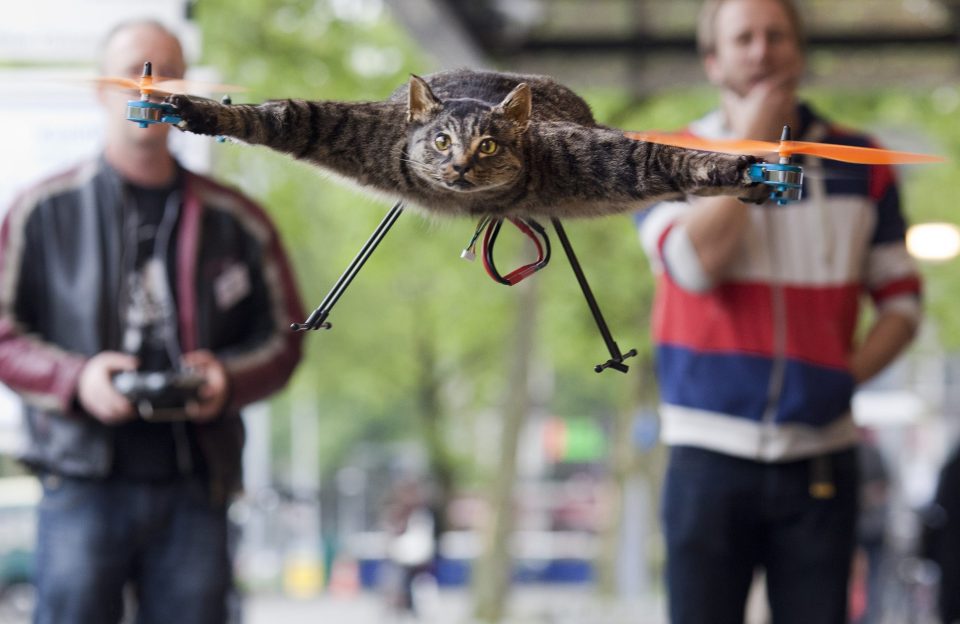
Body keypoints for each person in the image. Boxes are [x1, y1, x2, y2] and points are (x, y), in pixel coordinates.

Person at [0, 20, 305, 624]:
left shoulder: (239, 221)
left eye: (167, 72)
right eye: (136, 68)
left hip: (197, 482)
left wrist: (227, 380)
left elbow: (287, 338)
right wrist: (77, 380)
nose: (151, 86)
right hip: (79, 479)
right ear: (99, 88)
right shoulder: (41, 212)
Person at [636, 1, 923, 622]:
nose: (762, 51)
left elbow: (901, 303)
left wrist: (841, 377)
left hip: (821, 458)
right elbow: (692, 265)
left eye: (776, 36)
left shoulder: (861, 162)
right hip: (705, 455)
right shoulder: (664, 157)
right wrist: (757, 142)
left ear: (799, 50)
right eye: (743, 38)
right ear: (713, 61)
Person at [922, 441, 960, 624]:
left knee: (950, 604)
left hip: (950, 548)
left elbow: (939, 508)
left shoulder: (951, 468)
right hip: (951, 547)